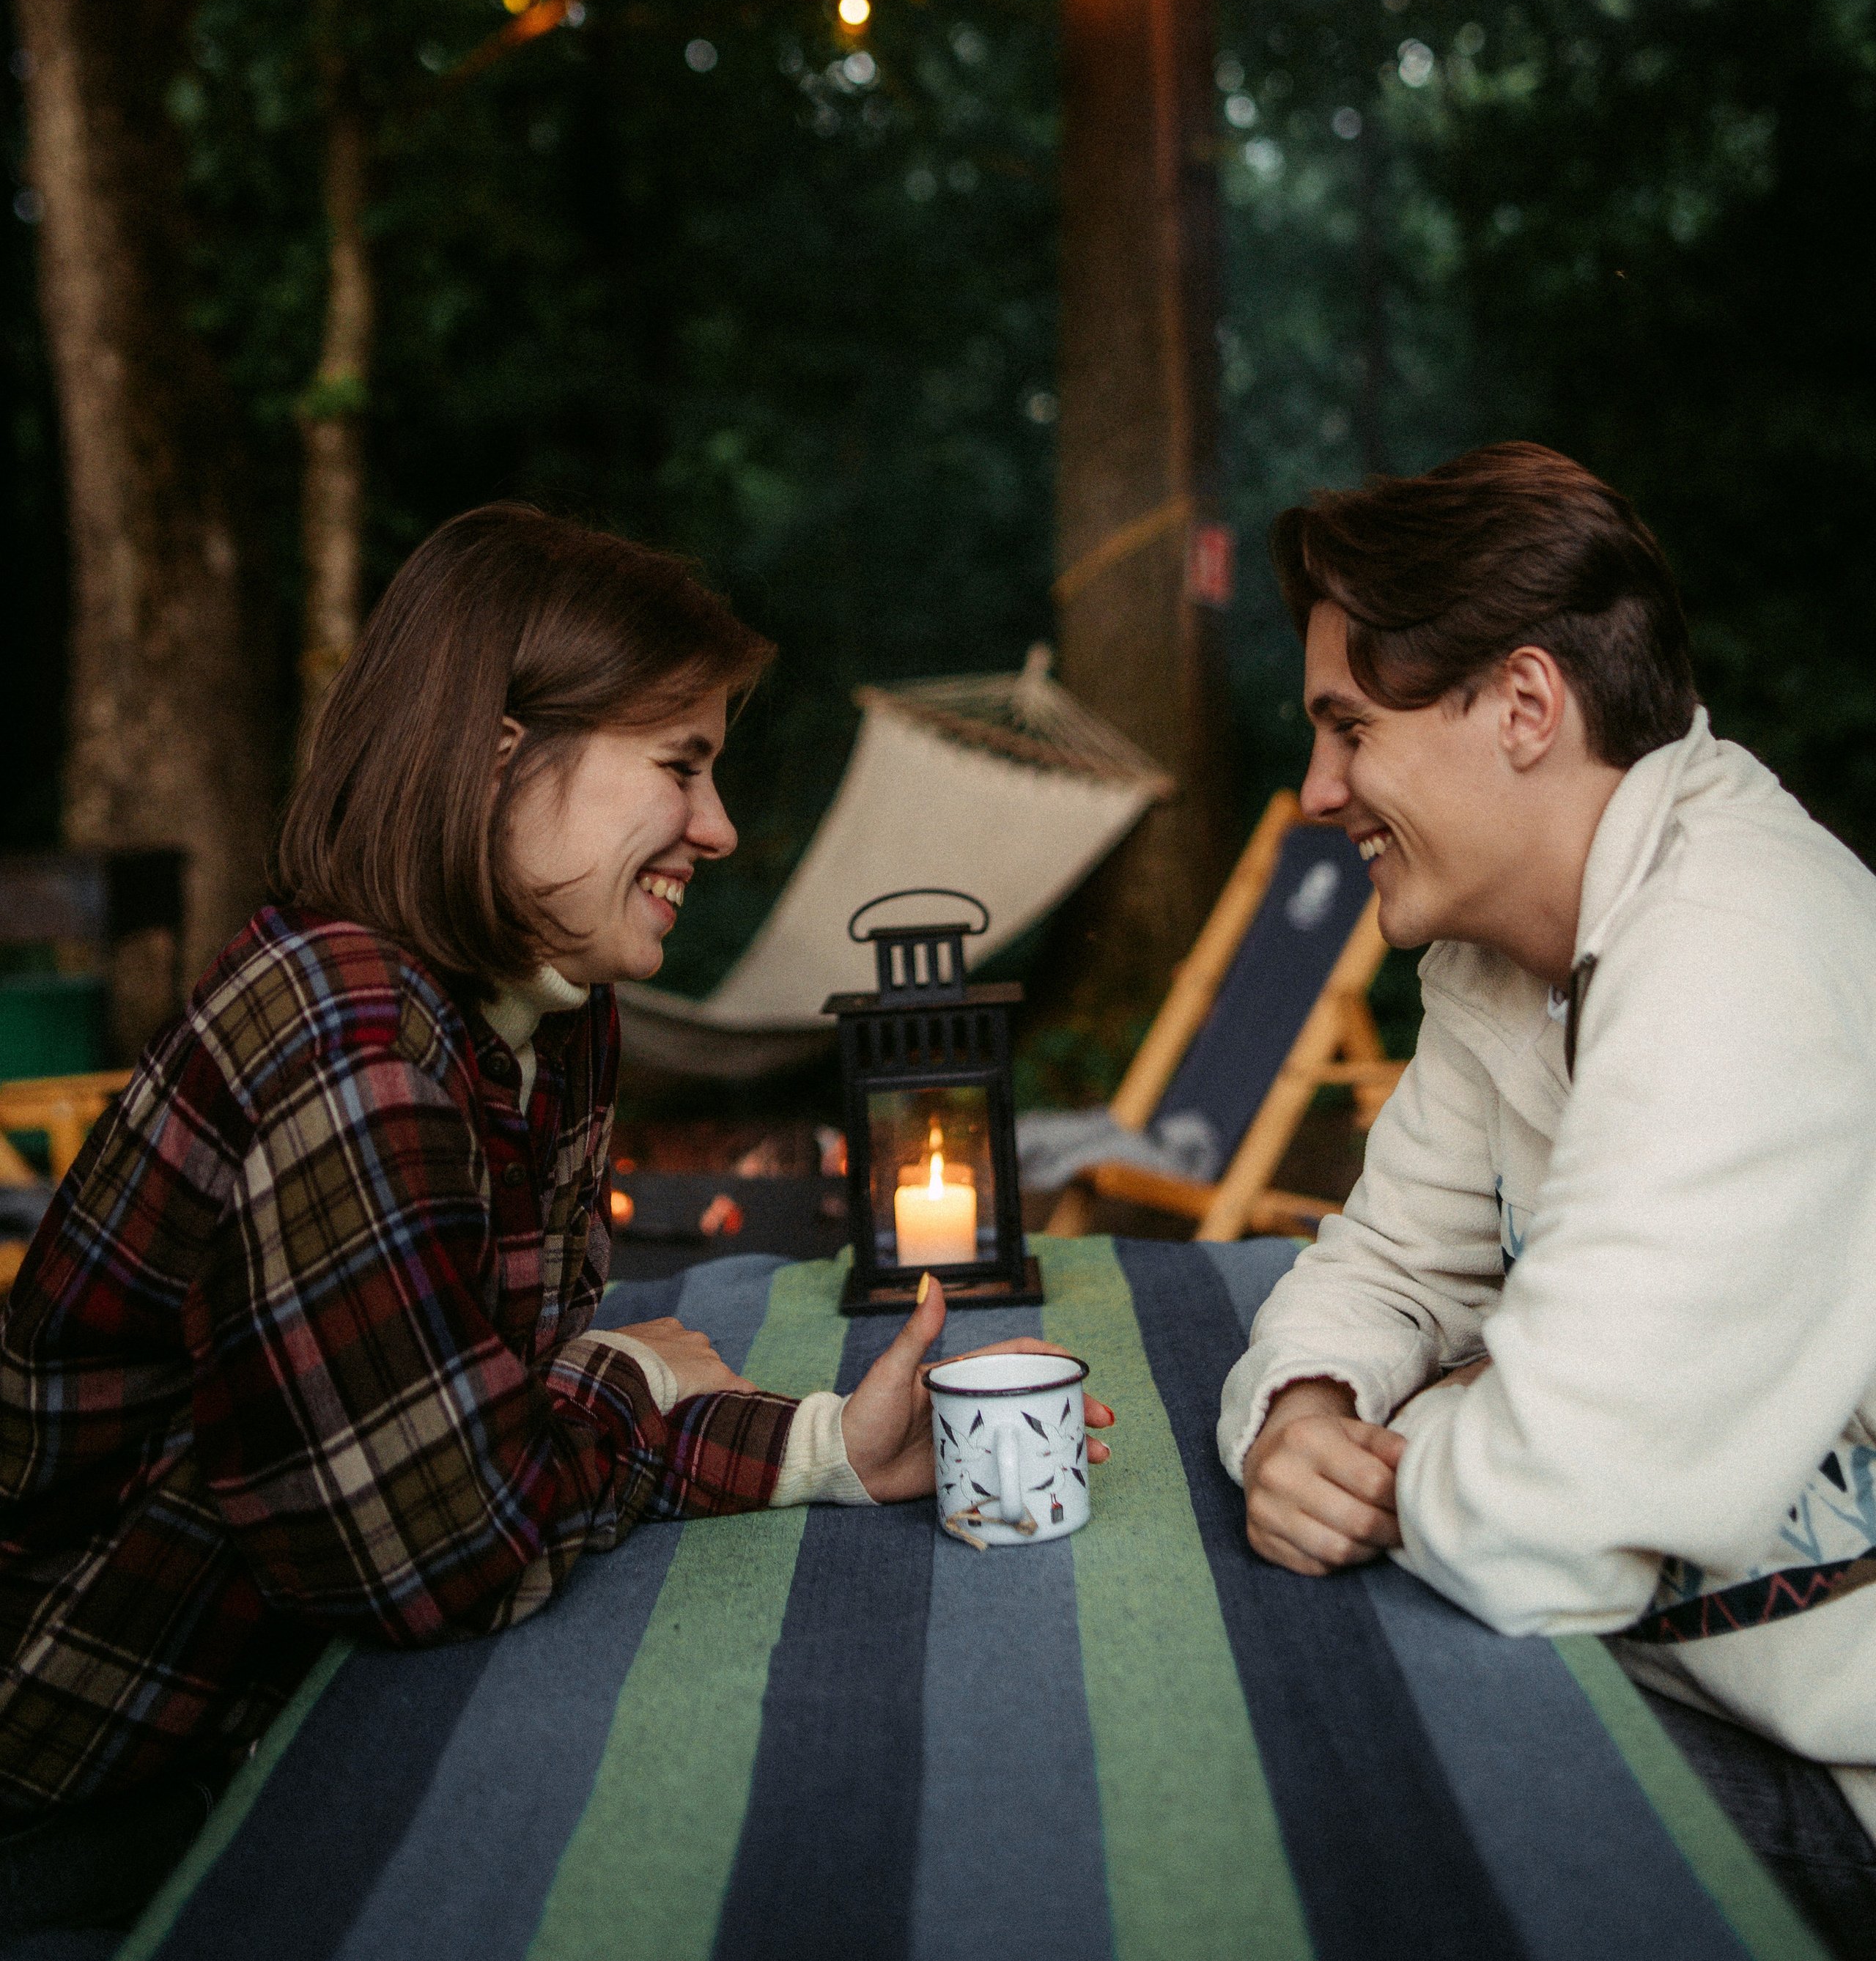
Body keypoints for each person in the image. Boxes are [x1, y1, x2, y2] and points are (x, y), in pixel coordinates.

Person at [0, 505, 1109, 1932]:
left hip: (254, 1730)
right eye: (680, 766)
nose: (716, 827)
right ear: (498, 754)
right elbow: (443, 1563)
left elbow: (500, 1442)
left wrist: (829, 1443)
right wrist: (629, 1376)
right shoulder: (349, 1042)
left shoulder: (552, 1010)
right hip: (80, 1789)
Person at [1217, 443, 1876, 1954]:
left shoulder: (1732, 956)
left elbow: (1529, 1527)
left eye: (1346, 728)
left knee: (1300, 1838)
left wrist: (1436, 1415)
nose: (1316, 792)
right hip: (1669, 1673)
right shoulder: (1503, 955)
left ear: (1521, 706)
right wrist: (1308, 1400)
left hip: (1831, 1773)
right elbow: (1382, 1259)